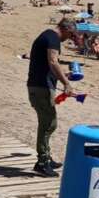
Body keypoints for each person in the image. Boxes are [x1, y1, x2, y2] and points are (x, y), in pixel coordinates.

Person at [26, 19, 77, 177]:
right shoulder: (53, 38)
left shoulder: (47, 36)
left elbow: (48, 64)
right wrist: (66, 83)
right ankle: (42, 163)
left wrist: (64, 75)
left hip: (38, 85)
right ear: (65, 29)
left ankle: (45, 157)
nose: (70, 38)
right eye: (71, 34)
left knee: (48, 123)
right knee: (48, 124)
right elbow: (53, 61)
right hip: (41, 87)